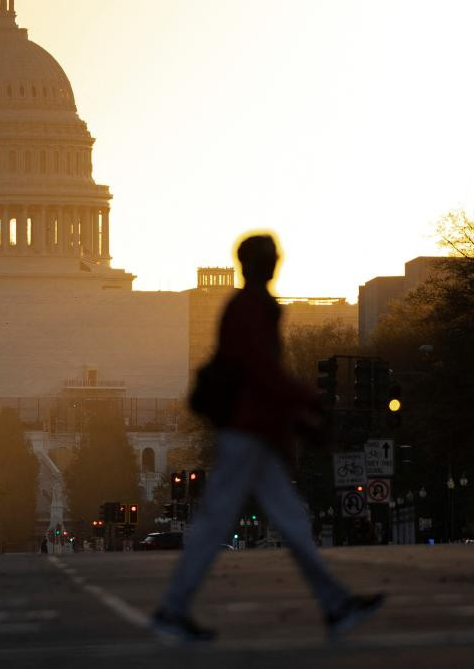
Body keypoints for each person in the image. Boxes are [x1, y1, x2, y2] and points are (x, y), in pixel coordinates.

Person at [150, 234, 384, 642]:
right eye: (270, 257)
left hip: (255, 430)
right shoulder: (253, 307)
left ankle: (335, 604)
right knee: (219, 522)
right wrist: (309, 403)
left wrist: (298, 414)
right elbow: (263, 371)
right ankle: (172, 610)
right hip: (248, 432)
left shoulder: (244, 307)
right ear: (257, 263)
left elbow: (262, 374)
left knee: (289, 519)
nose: (276, 262)